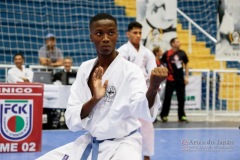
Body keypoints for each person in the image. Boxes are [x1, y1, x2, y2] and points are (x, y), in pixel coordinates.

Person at [37, 13, 167, 160]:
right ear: (91, 37)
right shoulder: (85, 69)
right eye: (99, 33)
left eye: (110, 33)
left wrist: (153, 87)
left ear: (117, 35)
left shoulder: (131, 70)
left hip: (123, 144)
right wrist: (95, 99)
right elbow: (71, 117)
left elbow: (142, 110)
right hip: (90, 142)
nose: (105, 38)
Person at [117, 21, 157, 160]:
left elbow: (153, 73)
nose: (138, 35)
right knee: (122, 123)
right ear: (128, 34)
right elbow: (119, 73)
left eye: (140, 33)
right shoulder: (122, 51)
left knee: (147, 124)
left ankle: (147, 155)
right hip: (125, 92)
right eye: (135, 33)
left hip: (142, 92)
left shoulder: (148, 53)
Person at [160, 37, 189, 123]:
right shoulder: (167, 54)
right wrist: (164, 72)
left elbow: (186, 64)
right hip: (170, 79)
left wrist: (186, 76)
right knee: (167, 98)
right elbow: (161, 63)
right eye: (177, 41)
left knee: (181, 98)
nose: (179, 43)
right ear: (172, 44)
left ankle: (182, 115)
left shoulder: (182, 53)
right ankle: (164, 115)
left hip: (180, 79)